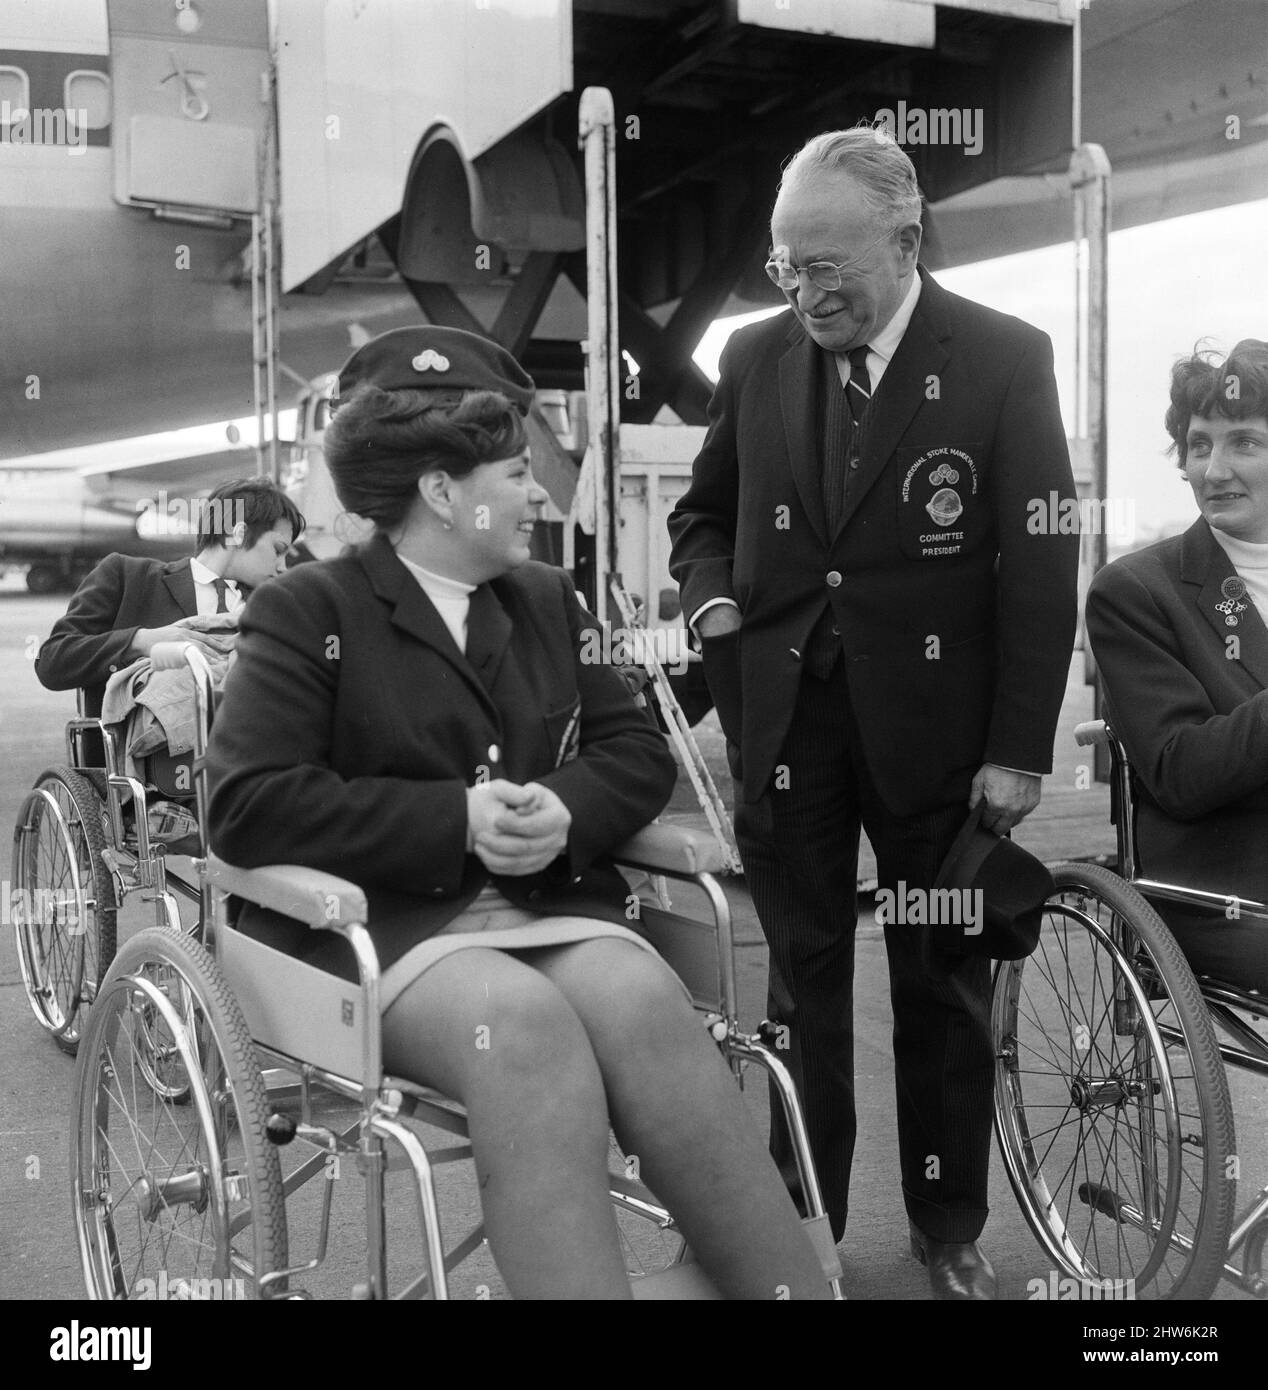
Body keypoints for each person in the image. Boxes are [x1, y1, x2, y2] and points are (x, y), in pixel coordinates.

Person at [205, 326, 829, 1300]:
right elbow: (244, 805)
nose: (540, 493)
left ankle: (780, 1289)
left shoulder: (543, 600)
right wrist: (451, 818)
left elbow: (634, 752)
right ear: (442, 492)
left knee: (641, 996)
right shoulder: (308, 610)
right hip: (380, 927)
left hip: (550, 905)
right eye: (515, 469)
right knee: (521, 1025)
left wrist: (565, 809)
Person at [667, 124, 1079, 1299]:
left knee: (937, 981)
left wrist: (1014, 748)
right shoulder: (753, 358)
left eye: (827, 266)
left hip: (940, 744)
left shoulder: (1000, 358)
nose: (803, 291)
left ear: (902, 240)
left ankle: (945, 1232)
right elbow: (702, 519)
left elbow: (1039, 565)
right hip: (787, 724)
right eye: (784, 265)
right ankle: (801, 1225)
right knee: (798, 986)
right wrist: (707, 610)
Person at [1085, 340, 1268, 991]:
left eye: (1244, 442)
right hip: (1223, 884)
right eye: (1198, 445)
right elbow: (1179, 771)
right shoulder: (1136, 591)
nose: (1215, 469)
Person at [35, 476, 304, 714]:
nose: (282, 566)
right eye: (278, 549)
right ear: (239, 533)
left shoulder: (272, 604)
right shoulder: (128, 576)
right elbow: (53, 662)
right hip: (148, 761)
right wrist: (144, 640)